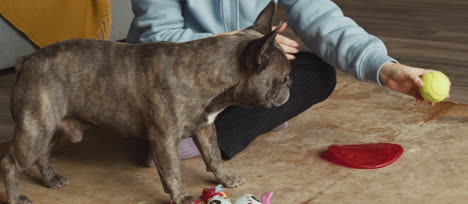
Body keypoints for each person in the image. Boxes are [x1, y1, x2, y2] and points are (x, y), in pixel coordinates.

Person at [127, 0, 432, 164]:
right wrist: (243, 43)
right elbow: (157, 39)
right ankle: (174, 138)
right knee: (130, 72)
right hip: (177, 75)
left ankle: (199, 135)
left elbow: (323, 19)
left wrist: (382, 66)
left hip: (241, 71)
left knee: (317, 73)